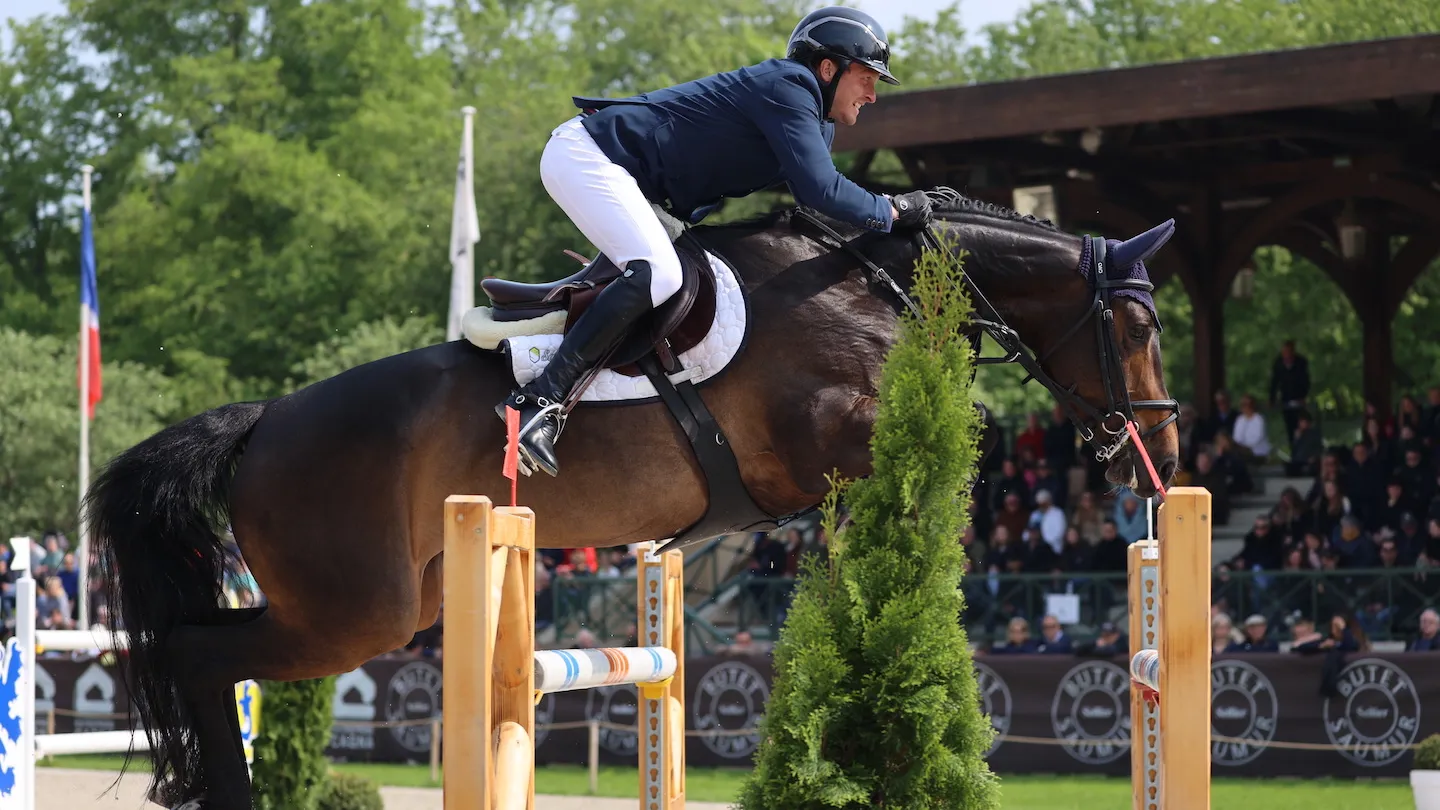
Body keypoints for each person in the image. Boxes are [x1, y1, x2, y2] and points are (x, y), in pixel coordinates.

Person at [496, 7, 935, 476]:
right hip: (590, 157)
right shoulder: (790, 86)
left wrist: (884, 217)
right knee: (658, 273)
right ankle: (539, 402)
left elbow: (817, 202)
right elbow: (822, 191)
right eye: (866, 78)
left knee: (679, 275)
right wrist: (892, 210)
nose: (872, 95)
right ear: (828, 68)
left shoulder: (815, 119)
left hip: (636, 184)